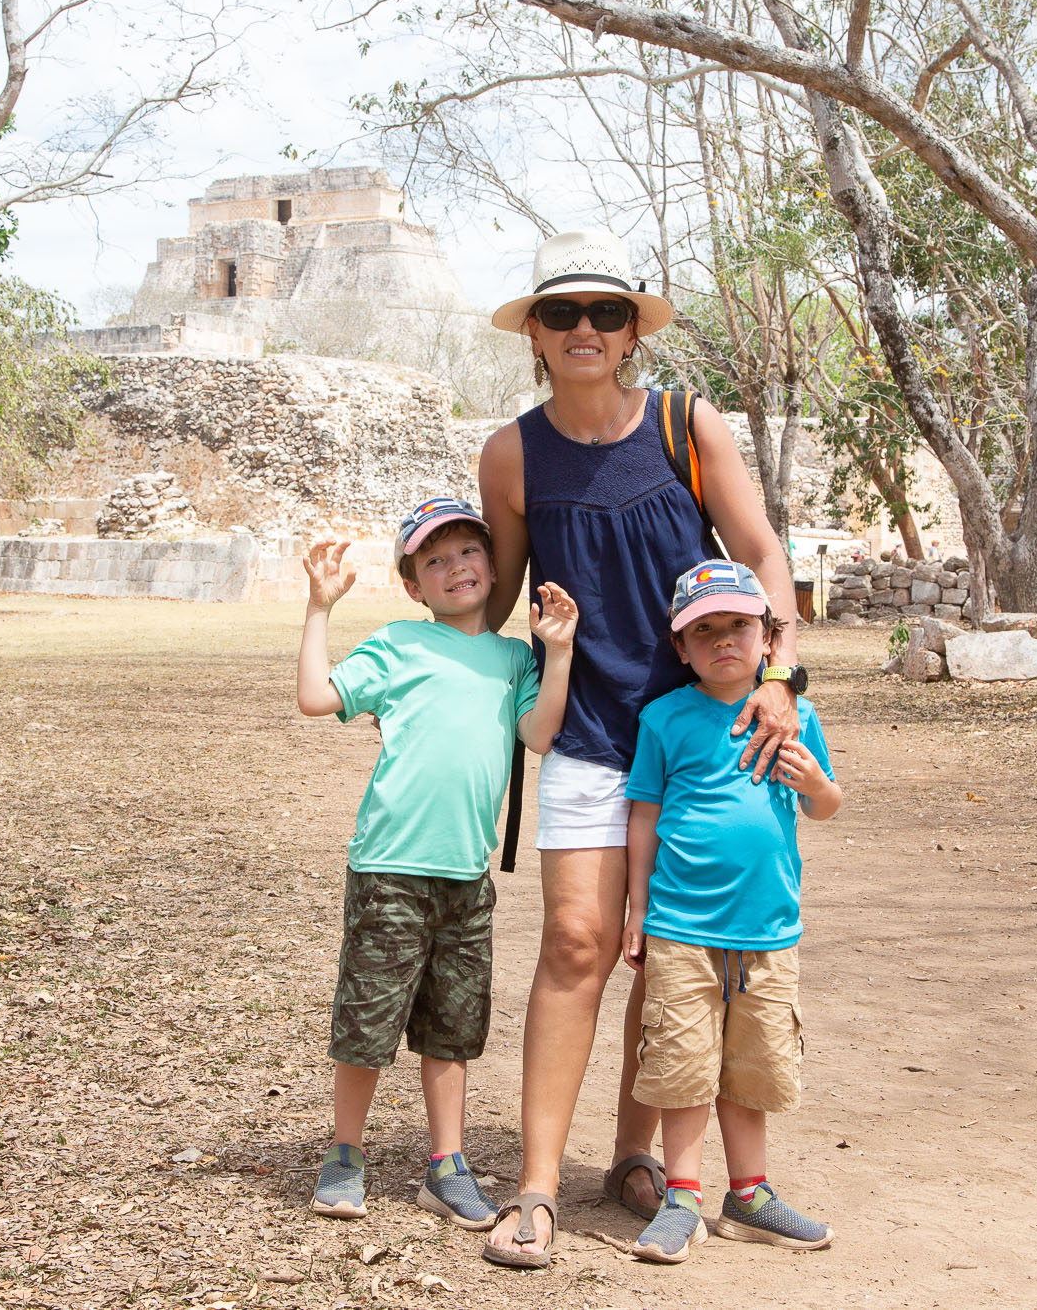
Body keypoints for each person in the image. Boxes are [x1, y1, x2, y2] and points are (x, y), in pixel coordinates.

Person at [477, 231, 803, 1268]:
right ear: (534, 334)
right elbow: (490, 600)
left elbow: (762, 554)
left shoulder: (682, 423)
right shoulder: (511, 455)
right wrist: (419, 666)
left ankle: (631, 1157)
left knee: (667, 952)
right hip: (584, 730)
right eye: (562, 313)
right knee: (577, 943)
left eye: (606, 312)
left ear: (631, 334)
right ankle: (535, 1186)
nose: (585, 329)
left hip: (695, 735)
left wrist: (780, 678)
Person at [295, 498, 580, 1229]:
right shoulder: (398, 644)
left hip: (466, 876)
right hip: (389, 867)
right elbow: (316, 697)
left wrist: (559, 652)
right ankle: (345, 1154)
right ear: (413, 585)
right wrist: (320, 608)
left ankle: (446, 1165)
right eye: (435, 560)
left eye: (468, 551)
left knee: (452, 1030)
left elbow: (541, 735)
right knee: (368, 1021)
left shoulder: (514, 659)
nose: (456, 568)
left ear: (494, 565)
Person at [620, 560, 842, 1264]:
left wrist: (816, 783)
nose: (722, 641)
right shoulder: (664, 719)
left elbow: (826, 804)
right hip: (681, 928)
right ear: (680, 647)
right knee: (683, 1065)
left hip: (768, 932)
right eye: (704, 630)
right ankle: (682, 1197)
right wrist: (636, 909)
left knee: (753, 1068)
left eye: (738, 626)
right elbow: (643, 817)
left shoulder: (796, 714)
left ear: (768, 638)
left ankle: (748, 1195)